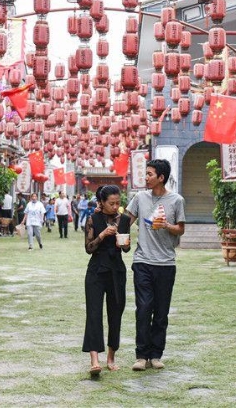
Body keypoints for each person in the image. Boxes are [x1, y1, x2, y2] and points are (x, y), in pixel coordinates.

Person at [125, 159, 185, 371]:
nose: (146, 177)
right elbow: (126, 221)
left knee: (161, 312)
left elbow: (180, 229)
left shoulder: (176, 200)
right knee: (143, 309)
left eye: (150, 174)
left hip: (166, 263)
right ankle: (141, 356)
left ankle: (156, 355)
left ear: (161, 177)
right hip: (142, 261)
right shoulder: (139, 198)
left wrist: (166, 225)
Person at [82, 185, 131, 376]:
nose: (115, 206)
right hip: (96, 270)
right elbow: (88, 248)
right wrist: (102, 235)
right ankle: (94, 360)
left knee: (116, 313)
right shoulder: (93, 219)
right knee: (94, 313)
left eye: (118, 203)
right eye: (111, 203)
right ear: (102, 202)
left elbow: (126, 249)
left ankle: (111, 357)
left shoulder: (124, 219)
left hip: (116, 270)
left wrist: (123, 243)